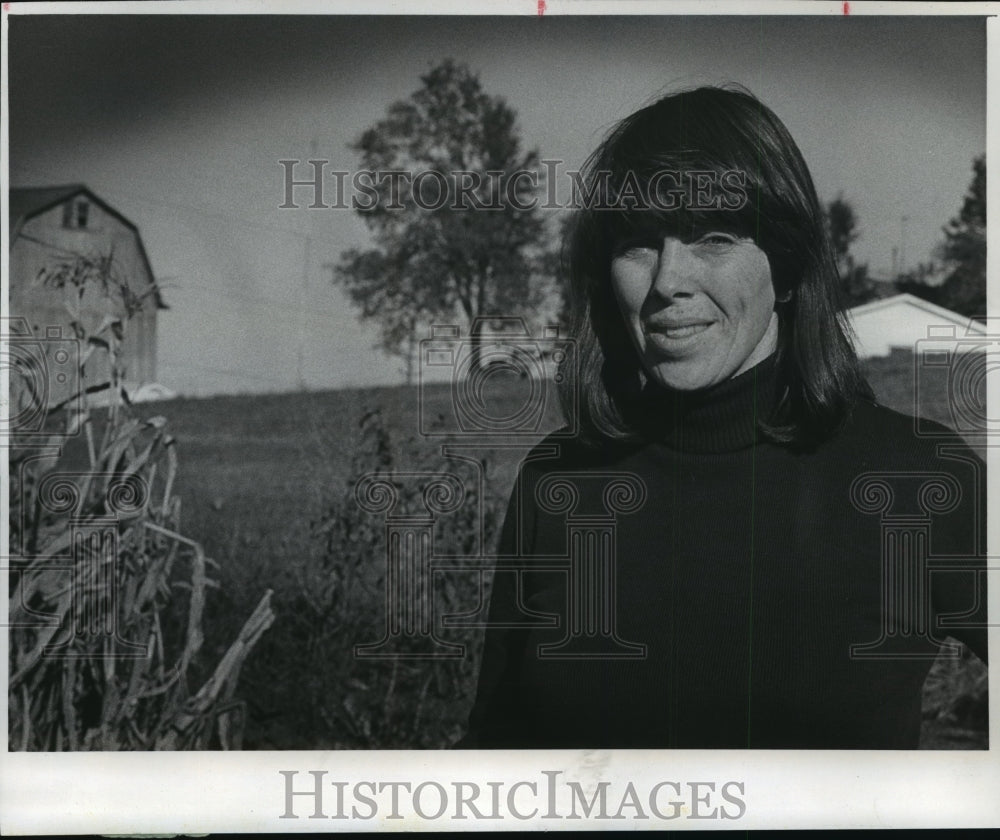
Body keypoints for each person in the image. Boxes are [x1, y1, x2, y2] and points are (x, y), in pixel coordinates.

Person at [460, 85, 988, 749]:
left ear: (789, 269)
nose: (668, 281)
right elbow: (492, 756)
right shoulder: (558, 480)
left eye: (713, 236)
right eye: (639, 244)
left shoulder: (918, 481)